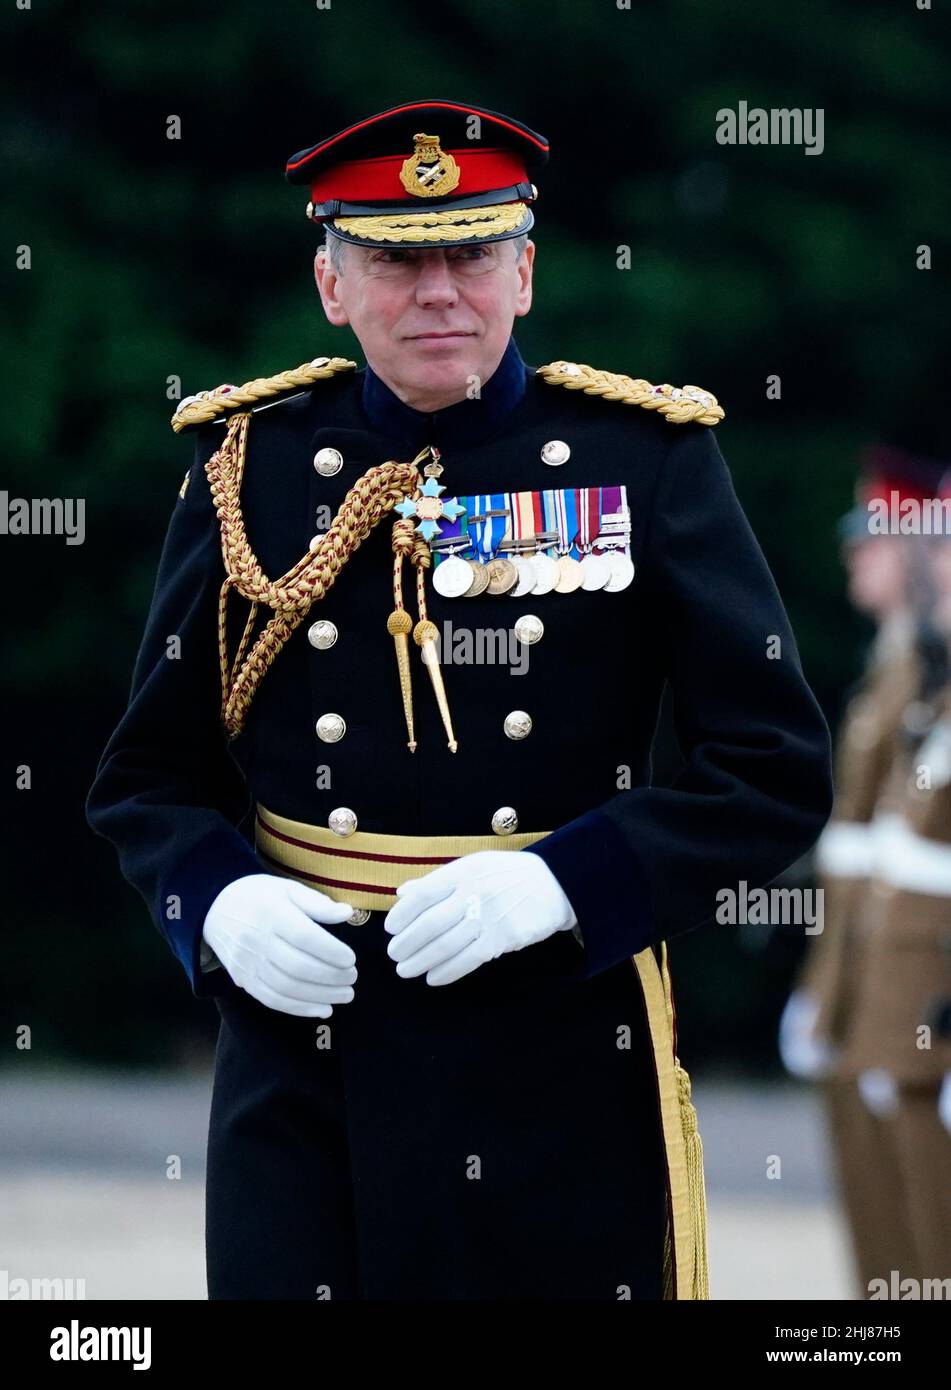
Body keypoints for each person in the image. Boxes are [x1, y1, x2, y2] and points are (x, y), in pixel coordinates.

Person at [85, 100, 833, 1301]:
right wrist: (214, 902)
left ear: (524, 273)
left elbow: (773, 765)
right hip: (304, 1048)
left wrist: (564, 881)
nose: (440, 291)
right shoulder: (249, 466)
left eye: (473, 252)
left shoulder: (645, 460)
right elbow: (146, 779)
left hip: (554, 1046)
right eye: (394, 257)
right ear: (331, 285)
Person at [782, 448, 951, 1296]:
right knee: (891, 1257)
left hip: (923, 1002)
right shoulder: (910, 675)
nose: (858, 557)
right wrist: (827, 985)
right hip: (882, 990)